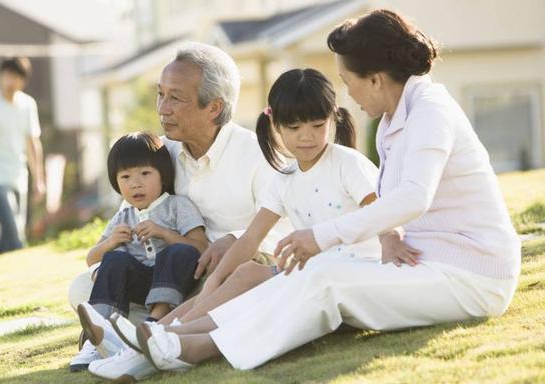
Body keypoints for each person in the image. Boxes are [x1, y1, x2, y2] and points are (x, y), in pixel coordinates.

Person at [132, 9, 521, 373]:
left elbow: (413, 197)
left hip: (472, 277)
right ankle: (175, 335)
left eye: (349, 81)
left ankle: (196, 349)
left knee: (326, 279)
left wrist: (319, 237)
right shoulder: (394, 118)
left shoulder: (430, 111)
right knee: (313, 272)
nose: (348, 93)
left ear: (375, 79)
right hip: (426, 263)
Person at [69, 42, 291, 377]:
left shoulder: (257, 153)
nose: (163, 108)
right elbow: (131, 209)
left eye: (176, 97)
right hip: (169, 275)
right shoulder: (160, 153)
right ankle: (136, 338)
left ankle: (140, 340)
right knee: (83, 287)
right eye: (160, 94)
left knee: (237, 279)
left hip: (231, 272)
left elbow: (287, 223)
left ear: (214, 107)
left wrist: (234, 240)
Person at [71, 132, 209, 372]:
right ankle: (100, 334)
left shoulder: (177, 206)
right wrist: (110, 242)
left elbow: (200, 247)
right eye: (125, 177)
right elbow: (91, 258)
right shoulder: (122, 216)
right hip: (140, 283)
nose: (135, 183)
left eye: (145, 174)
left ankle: (154, 322)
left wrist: (165, 233)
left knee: (178, 251)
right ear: (117, 183)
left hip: (177, 281)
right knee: (113, 258)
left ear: (162, 176)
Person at [0, 57, 45, 255]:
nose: (9, 81)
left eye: (14, 77)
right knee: (15, 235)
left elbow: (33, 143)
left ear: (23, 80)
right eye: (6, 76)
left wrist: (39, 179)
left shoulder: (28, 104)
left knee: (10, 234)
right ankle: (25, 269)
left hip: (18, 177)